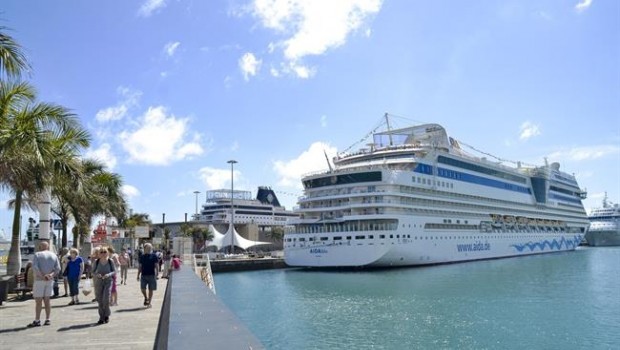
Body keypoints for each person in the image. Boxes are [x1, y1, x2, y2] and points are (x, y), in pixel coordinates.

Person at [27, 241, 61, 327]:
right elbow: (58, 268)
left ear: (40, 247)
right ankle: (47, 319)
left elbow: (35, 267)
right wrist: (50, 275)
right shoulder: (54, 255)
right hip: (49, 280)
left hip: (39, 280)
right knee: (47, 300)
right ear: (48, 247)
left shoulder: (37, 254)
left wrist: (42, 276)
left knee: (38, 302)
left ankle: (37, 320)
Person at [93, 246, 115, 324]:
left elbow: (114, 271)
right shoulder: (96, 261)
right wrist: (97, 274)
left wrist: (108, 275)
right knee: (100, 300)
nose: (103, 253)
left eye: (104, 252)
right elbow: (93, 271)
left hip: (108, 281)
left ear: (107, 253)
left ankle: (106, 315)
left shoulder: (110, 261)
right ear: (99, 254)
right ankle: (101, 317)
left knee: (106, 298)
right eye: (101, 252)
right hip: (99, 282)